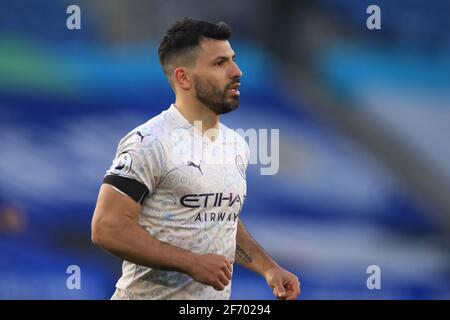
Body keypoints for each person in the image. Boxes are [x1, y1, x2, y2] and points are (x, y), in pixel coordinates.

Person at [91, 18, 300, 300]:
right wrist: (191, 262)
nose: (236, 71)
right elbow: (107, 227)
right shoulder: (150, 141)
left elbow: (220, 219)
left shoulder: (235, 144)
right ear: (184, 78)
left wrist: (268, 268)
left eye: (233, 60)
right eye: (219, 63)